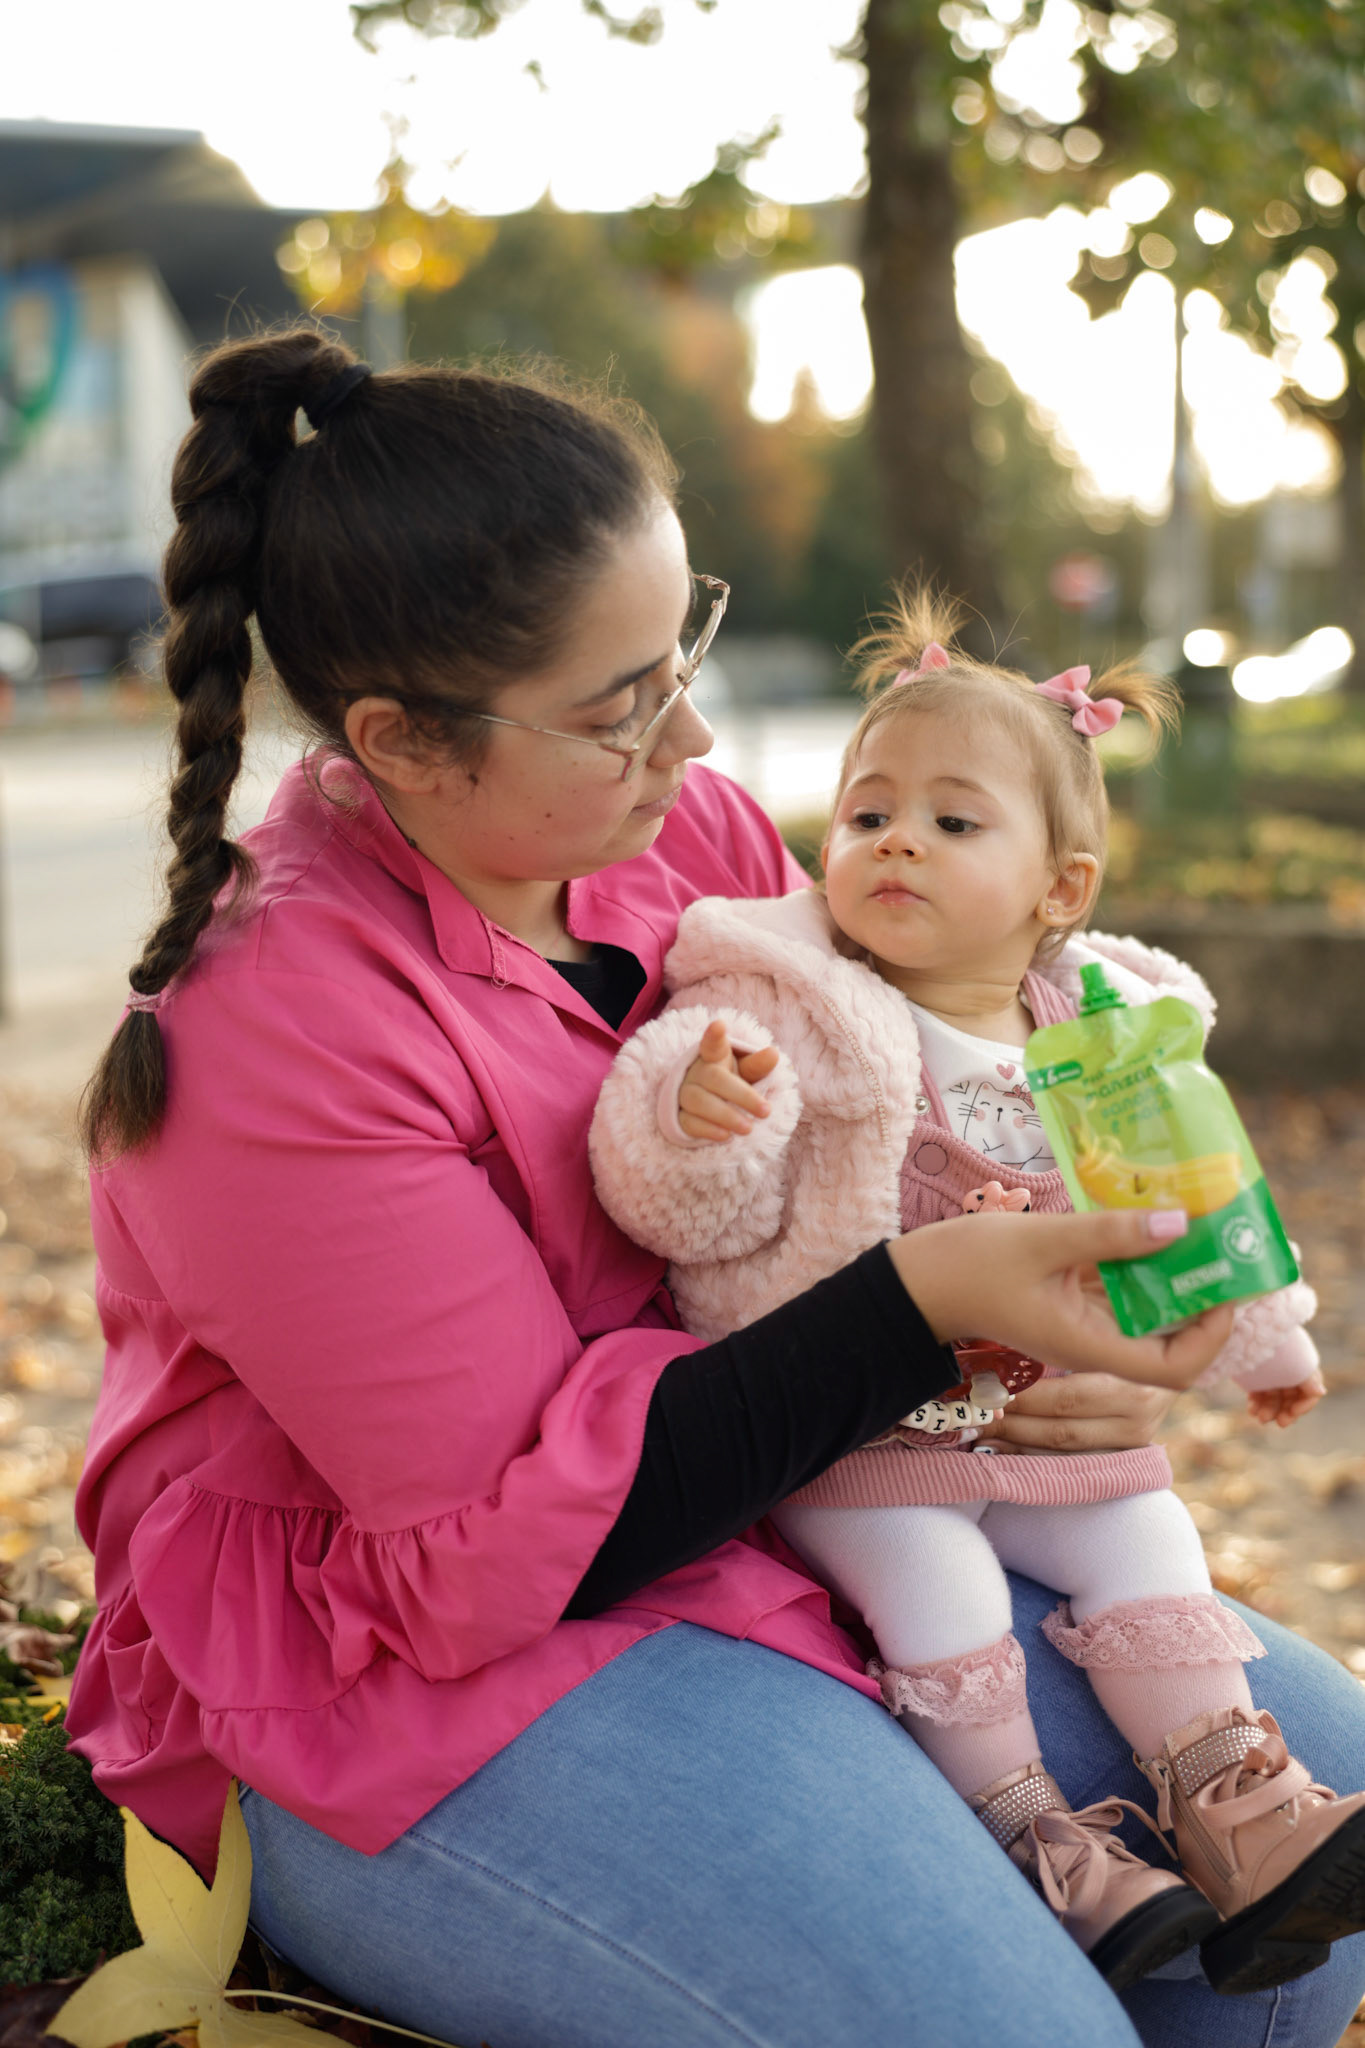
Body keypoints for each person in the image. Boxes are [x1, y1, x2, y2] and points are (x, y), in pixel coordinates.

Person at [60, 330, 1365, 2048]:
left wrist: (1049, 1354)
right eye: (620, 708)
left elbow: (916, 1117)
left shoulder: (695, 845)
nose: (689, 734)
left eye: (683, 653)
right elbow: (508, 1545)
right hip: (416, 1671)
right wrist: (929, 1317)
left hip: (800, 1510)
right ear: (402, 741)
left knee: (1315, 1822)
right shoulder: (273, 1026)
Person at [590, 591, 1365, 1995]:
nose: (897, 841)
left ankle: (1238, 1806)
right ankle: (1042, 1844)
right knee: (942, 1595)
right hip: (865, 1442)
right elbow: (685, 1215)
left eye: (953, 822)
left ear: (1058, 890)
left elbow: (1196, 1206)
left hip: (1049, 1425)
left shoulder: (1106, 1030)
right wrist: (702, 1121)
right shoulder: (788, 1005)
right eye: (868, 812)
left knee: (1150, 1543)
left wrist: (1263, 1344)